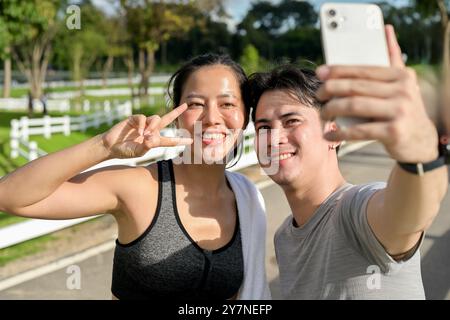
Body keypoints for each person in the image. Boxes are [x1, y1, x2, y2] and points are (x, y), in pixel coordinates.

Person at [0, 54, 271, 300]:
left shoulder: (247, 199)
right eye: (195, 104)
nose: (212, 117)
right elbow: (10, 197)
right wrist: (104, 147)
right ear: (176, 117)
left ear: (244, 117)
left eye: (227, 103)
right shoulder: (141, 186)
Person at [248, 25, 448, 299]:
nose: (274, 137)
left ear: (334, 131)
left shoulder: (355, 210)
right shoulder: (284, 237)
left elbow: (408, 216)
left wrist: (418, 156)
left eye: (291, 121)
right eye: (263, 127)